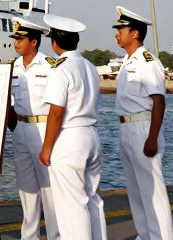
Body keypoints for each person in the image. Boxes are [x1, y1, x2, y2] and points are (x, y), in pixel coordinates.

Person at [39, 15, 107, 240]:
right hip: (91, 134)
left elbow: (56, 112)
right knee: (92, 199)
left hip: (70, 138)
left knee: (72, 204)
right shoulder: (89, 66)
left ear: (55, 42)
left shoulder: (60, 69)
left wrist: (47, 147)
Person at [112, 6, 173, 240]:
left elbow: (159, 101)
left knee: (152, 191)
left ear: (135, 33)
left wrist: (152, 137)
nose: (117, 34)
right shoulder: (128, 61)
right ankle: (145, 235)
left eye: (121, 29)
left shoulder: (148, 61)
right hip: (126, 128)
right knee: (136, 190)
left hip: (142, 128)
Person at [8, 18, 61, 240]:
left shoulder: (51, 66)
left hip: (42, 128)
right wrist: (15, 128)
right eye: (16, 39)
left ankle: (56, 235)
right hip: (21, 129)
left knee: (49, 192)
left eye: (21, 38)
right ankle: (28, 237)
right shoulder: (13, 67)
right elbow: (8, 103)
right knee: (26, 191)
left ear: (34, 41)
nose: (16, 43)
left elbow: (57, 105)